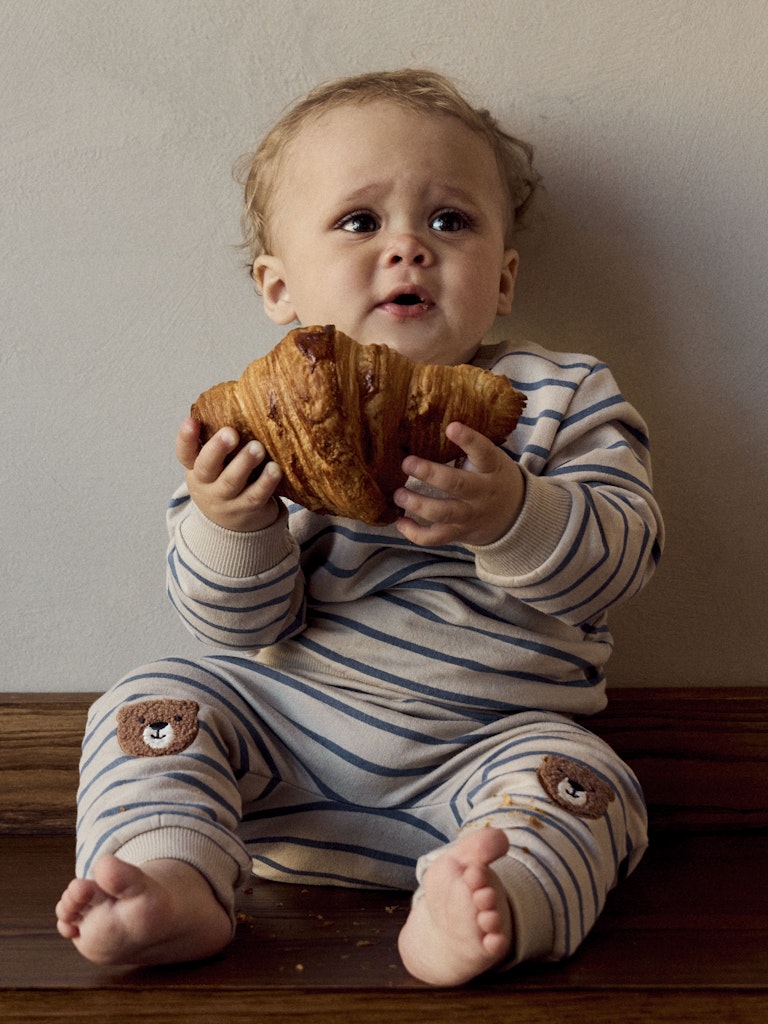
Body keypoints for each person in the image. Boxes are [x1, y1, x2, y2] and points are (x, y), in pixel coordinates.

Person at [56, 69, 663, 986]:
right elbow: (233, 626)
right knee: (154, 700)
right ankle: (174, 878)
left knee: (587, 786)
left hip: (488, 752)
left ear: (502, 279)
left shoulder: (555, 396)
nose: (410, 247)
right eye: (360, 222)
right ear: (279, 285)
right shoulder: (260, 424)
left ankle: (486, 908)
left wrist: (514, 516)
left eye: (450, 221)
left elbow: (622, 558)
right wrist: (235, 522)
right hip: (287, 748)